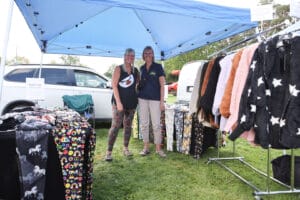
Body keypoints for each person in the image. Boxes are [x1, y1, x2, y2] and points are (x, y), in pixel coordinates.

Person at [105, 48, 139, 161]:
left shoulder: (136, 71)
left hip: (131, 104)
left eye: (132, 56)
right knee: (115, 127)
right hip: (118, 103)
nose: (130, 57)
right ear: (124, 56)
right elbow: (114, 86)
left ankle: (125, 148)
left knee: (128, 127)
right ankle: (109, 152)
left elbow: (136, 86)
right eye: (128, 55)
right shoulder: (118, 69)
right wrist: (119, 102)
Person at [138, 46, 166, 157]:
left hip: (155, 100)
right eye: (145, 53)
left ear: (153, 54)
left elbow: (162, 85)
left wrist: (162, 102)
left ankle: (158, 149)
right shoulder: (141, 68)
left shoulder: (158, 67)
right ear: (143, 55)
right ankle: (146, 148)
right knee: (144, 124)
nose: (147, 55)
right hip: (142, 99)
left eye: (149, 53)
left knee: (156, 124)